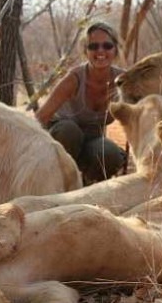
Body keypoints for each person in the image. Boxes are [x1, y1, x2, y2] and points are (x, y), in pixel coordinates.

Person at [35, 21, 127, 184]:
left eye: (107, 46)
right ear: (85, 51)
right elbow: (40, 118)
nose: (100, 51)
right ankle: (57, 183)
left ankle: (88, 186)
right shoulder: (74, 78)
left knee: (110, 153)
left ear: (115, 49)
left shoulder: (124, 80)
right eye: (93, 46)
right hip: (62, 140)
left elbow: (143, 114)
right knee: (69, 131)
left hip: (92, 142)